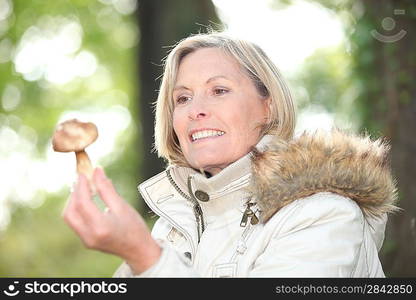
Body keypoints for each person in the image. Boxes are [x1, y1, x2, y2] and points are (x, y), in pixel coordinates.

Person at [63, 32, 398, 277]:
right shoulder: (170, 231)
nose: (196, 111)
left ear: (267, 106)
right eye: (182, 98)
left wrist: (145, 257)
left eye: (219, 90)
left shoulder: (324, 214)